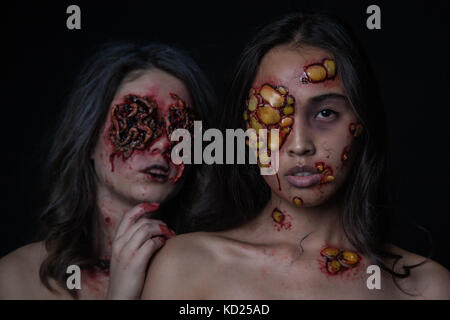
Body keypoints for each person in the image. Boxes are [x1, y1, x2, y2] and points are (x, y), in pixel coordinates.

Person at [141, 12, 450, 299]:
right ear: (246, 128)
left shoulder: (426, 287)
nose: (299, 144)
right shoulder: (187, 265)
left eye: (326, 113)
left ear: (363, 123)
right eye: (272, 115)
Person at [0, 42, 216, 299]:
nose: (163, 143)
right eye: (137, 120)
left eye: (180, 128)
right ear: (89, 138)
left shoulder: (213, 274)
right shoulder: (14, 280)